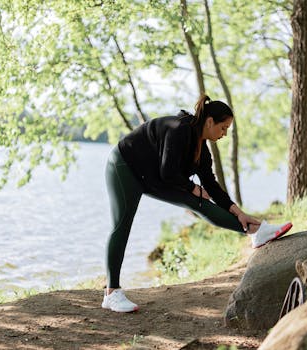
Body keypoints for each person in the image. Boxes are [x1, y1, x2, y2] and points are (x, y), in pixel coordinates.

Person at [102, 94, 292, 313]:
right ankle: (111, 293)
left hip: (153, 177)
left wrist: (238, 212)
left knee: (198, 202)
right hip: (125, 166)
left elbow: (211, 186)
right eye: (223, 128)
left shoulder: (203, 152)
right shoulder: (178, 129)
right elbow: (168, 172)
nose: (225, 134)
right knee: (123, 223)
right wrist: (193, 188)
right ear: (210, 122)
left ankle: (254, 231)